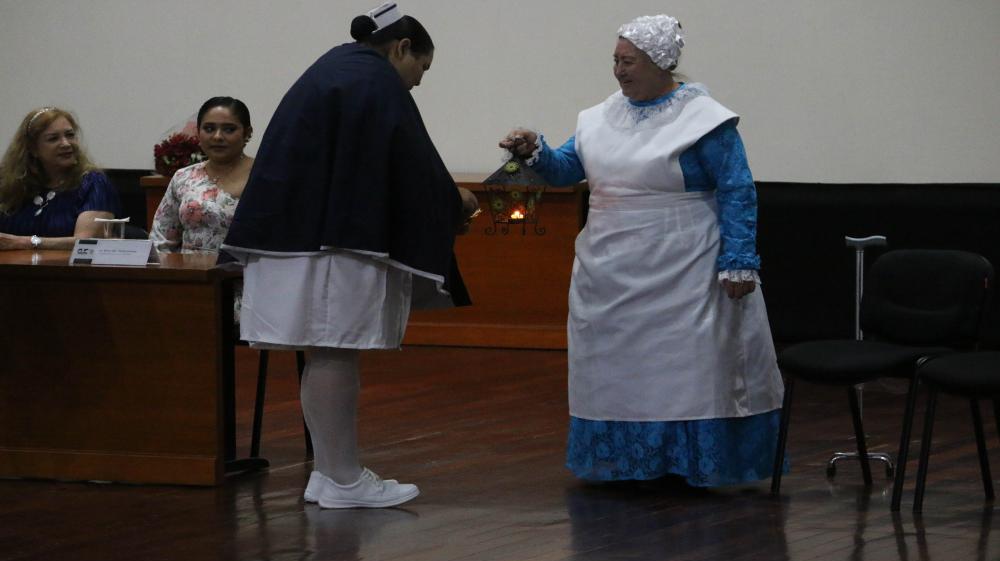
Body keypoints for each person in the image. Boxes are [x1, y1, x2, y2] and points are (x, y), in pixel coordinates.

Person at [500, 15, 785, 487]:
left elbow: (736, 188)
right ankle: (629, 463)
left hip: (684, 266)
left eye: (628, 61)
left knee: (686, 372)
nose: (618, 70)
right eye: (614, 59)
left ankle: (691, 463)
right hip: (609, 268)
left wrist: (738, 259)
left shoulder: (704, 119)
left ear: (660, 63)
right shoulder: (601, 116)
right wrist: (535, 154)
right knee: (620, 373)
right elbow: (570, 167)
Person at [221, 3, 477, 509]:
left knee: (325, 351)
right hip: (331, 245)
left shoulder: (333, 68)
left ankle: (328, 474)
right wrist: (457, 202)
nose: (418, 83)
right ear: (402, 49)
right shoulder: (373, 79)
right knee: (336, 349)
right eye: (421, 69)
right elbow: (412, 160)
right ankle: (341, 477)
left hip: (293, 239)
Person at [0, 107, 120, 250]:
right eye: (53, 138)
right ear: (33, 149)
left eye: (70, 135)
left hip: (69, 271)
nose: (66, 144)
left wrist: (26, 243)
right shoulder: (13, 184)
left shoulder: (93, 183)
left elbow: (87, 243)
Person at [150, 97, 254, 253]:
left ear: (247, 133)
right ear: (198, 132)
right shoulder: (184, 176)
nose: (217, 137)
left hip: (244, 273)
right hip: (187, 274)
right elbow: (161, 240)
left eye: (229, 129)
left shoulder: (261, 175)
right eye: (209, 129)